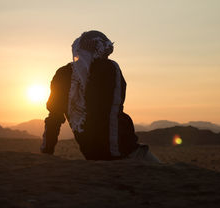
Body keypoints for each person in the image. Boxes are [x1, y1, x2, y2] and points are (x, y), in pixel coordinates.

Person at [40, 30, 160, 162]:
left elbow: (53, 118)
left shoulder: (62, 74)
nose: (106, 57)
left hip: (93, 155)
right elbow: (112, 115)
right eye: (104, 52)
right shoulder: (108, 68)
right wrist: (113, 156)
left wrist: (47, 151)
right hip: (125, 152)